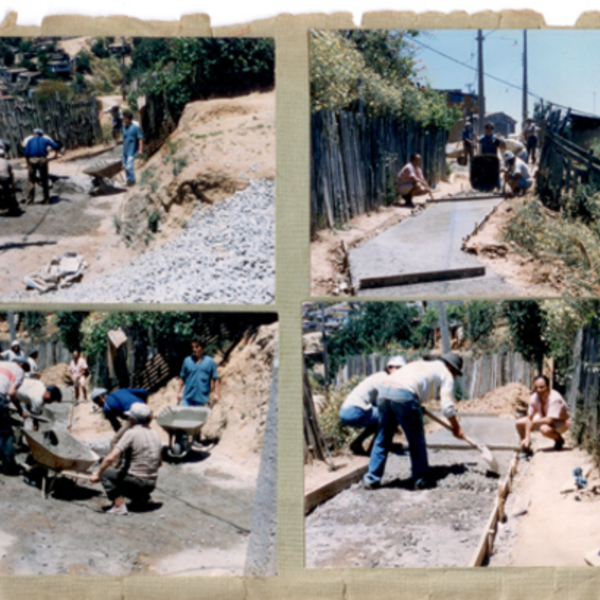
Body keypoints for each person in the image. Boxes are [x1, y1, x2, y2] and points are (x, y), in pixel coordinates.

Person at [363, 353, 465, 491]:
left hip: (384, 391)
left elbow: (414, 384)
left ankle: (371, 479)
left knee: (383, 436)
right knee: (416, 439)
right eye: (456, 374)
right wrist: (456, 427)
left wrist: (415, 404)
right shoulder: (446, 374)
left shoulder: (424, 364)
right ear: (452, 368)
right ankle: (420, 479)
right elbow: (447, 408)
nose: (454, 377)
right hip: (404, 393)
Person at [90, 402, 162, 515]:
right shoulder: (155, 434)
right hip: (151, 484)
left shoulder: (131, 433)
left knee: (106, 473)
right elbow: (159, 463)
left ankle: (118, 505)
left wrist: (98, 474)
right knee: (129, 472)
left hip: (138, 484)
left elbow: (110, 458)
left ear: (133, 419)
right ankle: (144, 498)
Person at [339, 355, 407, 455]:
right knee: (390, 416)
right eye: (397, 368)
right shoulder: (383, 379)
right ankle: (375, 449)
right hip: (354, 411)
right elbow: (392, 402)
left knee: (379, 418)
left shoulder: (380, 377)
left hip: (346, 411)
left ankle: (357, 443)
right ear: (389, 367)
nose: (399, 373)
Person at [516, 375, 571, 453]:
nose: (539, 390)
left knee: (544, 429)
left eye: (542, 387)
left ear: (548, 387)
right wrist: (527, 437)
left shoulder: (555, 398)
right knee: (519, 423)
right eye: (536, 387)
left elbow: (549, 420)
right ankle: (526, 448)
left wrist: (534, 422)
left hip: (561, 423)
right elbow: (529, 418)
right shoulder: (534, 397)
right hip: (544, 418)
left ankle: (559, 440)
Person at [0, 359, 26, 475]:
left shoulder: (2, 364)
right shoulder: (20, 371)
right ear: (22, 365)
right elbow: (11, 392)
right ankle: (9, 467)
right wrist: (21, 409)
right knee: (6, 435)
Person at [177, 337, 219, 407]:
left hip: (201, 400)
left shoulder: (210, 362)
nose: (194, 349)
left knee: (197, 418)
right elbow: (182, 378)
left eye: (197, 347)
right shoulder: (187, 361)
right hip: (187, 398)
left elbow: (215, 378)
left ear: (203, 347)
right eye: (193, 347)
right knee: (186, 417)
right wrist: (178, 392)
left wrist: (216, 394)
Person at [23, 128, 60, 205]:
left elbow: (26, 152)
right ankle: (46, 199)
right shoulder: (45, 139)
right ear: (41, 134)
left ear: (34, 133)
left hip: (32, 160)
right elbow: (56, 146)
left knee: (31, 180)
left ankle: (30, 201)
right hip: (43, 160)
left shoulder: (30, 140)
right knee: (44, 179)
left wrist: (28, 162)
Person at [121, 110, 143, 186]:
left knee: (129, 167)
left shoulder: (135, 128)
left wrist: (140, 149)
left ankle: (133, 180)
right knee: (124, 166)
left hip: (132, 151)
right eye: (123, 119)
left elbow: (140, 138)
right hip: (125, 151)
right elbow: (124, 139)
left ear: (130, 119)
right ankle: (128, 180)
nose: (124, 120)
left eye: (125, 119)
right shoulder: (124, 128)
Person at [0, 148, 20, 215]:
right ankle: (8, 206)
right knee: (6, 191)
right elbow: (11, 172)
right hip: (6, 178)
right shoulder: (7, 162)